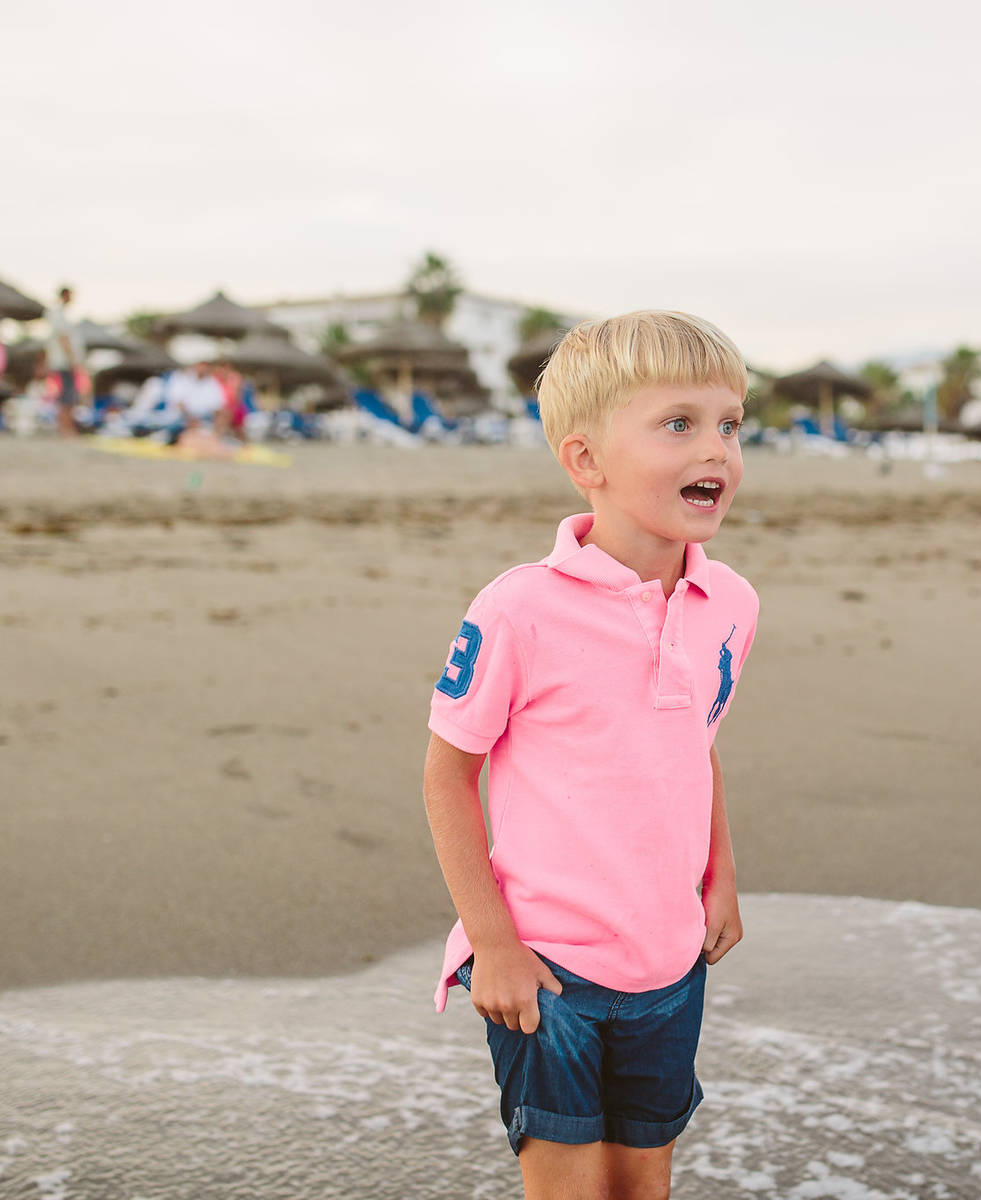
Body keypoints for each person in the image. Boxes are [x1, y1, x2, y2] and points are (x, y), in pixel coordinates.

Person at [422, 310, 757, 1199]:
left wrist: (720, 873)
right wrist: (491, 944)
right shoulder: (519, 608)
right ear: (586, 462)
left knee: (643, 1186)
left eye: (730, 424)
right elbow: (448, 775)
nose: (716, 449)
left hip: (668, 958)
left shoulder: (732, 603)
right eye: (678, 424)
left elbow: (699, 745)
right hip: (547, 966)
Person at [43, 286, 83, 436]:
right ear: (65, 295)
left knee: (67, 394)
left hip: (63, 360)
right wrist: (72, 359)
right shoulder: (58, 314)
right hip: (64, 361)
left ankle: (65, 427)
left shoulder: (60, 314)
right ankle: (66, 428)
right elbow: (63, 338)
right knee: (68, 395)